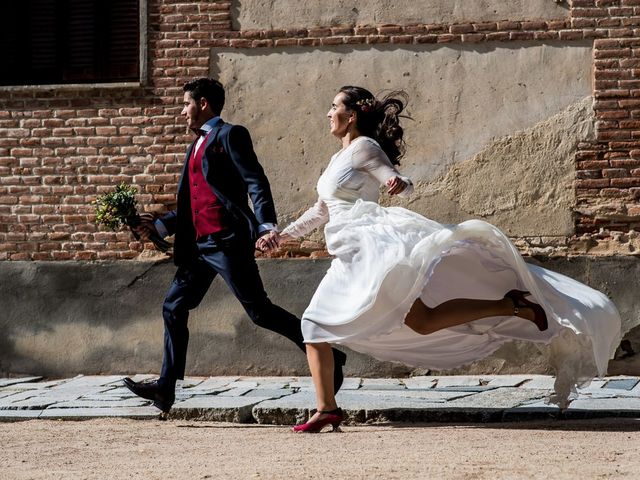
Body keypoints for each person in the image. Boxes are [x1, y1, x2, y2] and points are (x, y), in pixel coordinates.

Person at [263, 85, 622, 433]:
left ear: (351, 115)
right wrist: (281, 235)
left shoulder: (363, 148)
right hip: (347, 252)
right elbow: (320, 210)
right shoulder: (335, 159)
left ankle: (327, 409)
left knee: (325, 324)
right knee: (409, 321)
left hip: (371, 249)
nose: (328, 113)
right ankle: (510, 306)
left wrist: (398, 185)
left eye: (334, 107)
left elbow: (397, 179)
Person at [122, 78, 346, 414]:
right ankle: (165, 388)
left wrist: (267, 224)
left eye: (186, 103)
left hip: (227, 241)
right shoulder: (194, 146)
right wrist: (156, 225)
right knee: (173, 307)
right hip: (198, 247)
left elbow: (255, 180)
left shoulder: (230, 135)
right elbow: (193, 202)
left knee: (259, 312)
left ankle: (329, 354)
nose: (183, 111)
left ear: (204, 103)